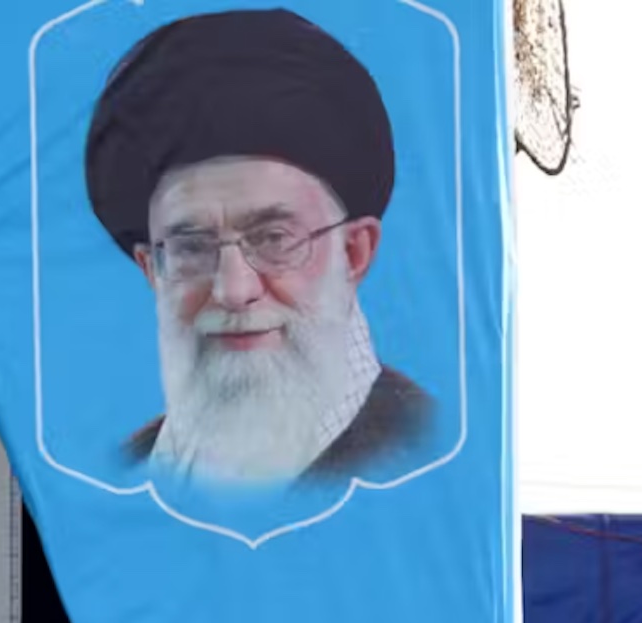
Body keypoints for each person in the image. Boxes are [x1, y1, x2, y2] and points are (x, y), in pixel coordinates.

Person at [84, 7, 433, 484]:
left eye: (273, 239)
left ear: (355, 252)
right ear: (151, 269)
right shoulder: (123, 478)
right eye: (192, 248)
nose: (233, 288)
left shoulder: (429, 457)